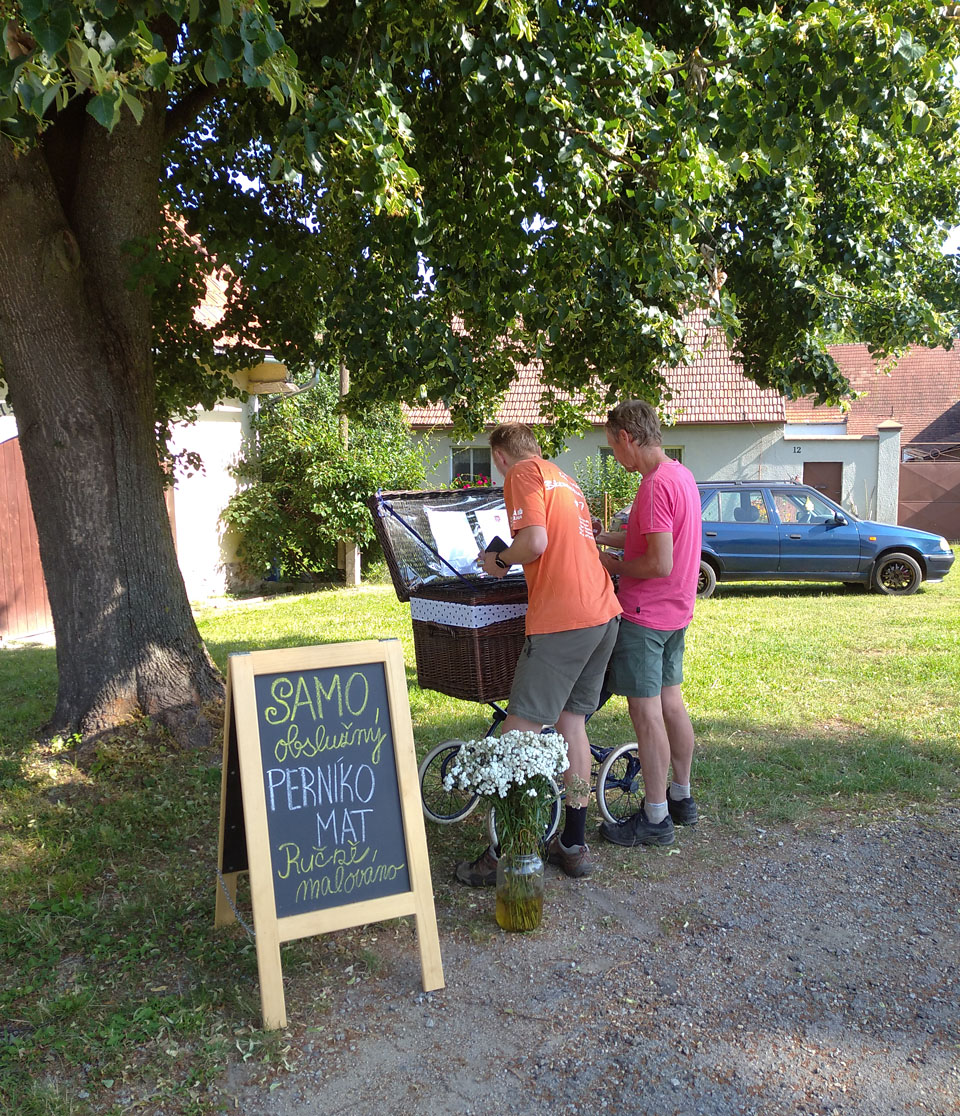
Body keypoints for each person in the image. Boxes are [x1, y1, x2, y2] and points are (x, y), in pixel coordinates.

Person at [455, 423, 622, 886]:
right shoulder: (564, 478)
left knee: (518, 732)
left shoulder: (521, 475)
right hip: (604, 613)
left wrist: (500, 560)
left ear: (502, 457)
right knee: (572, 726)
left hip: (564, 619)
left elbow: (536, 543)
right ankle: (572, 841)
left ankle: (504, 851)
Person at [594, 400, 701, 847]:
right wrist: (604, 536)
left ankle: (655, 817)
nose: (614, 457)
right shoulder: (681, 475)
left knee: (646, 712)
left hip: (645, 614)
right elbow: (653, 537)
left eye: (612, 447)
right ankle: (681, 797)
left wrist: (607, 564)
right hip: (675, 611)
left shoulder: (655, 486)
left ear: (626, 438)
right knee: (672, 704)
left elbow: (657, 561)